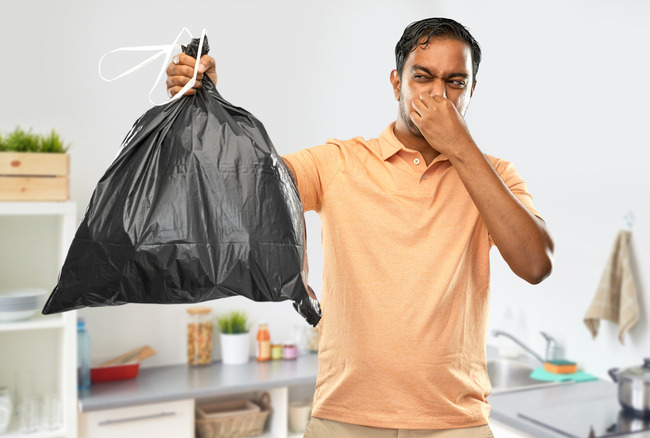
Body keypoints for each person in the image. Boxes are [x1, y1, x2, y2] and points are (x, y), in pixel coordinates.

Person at [166, 17, 554, 438]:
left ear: (471, 91)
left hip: (455, 425)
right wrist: (203, 109)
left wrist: (460, 146)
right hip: (344, 420)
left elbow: (536, 264)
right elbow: (242, 189)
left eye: (455, 82)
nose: (438, 95)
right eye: (422, 77)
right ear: (396, 83)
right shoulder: (339, 162)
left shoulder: (494, 175)